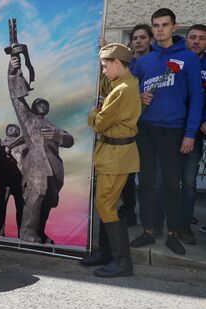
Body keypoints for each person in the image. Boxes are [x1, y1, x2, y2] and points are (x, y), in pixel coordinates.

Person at [131, 9, 203, 256]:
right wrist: (138, 97)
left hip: (175, 130)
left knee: (173, 184)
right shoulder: (144, 61)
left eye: (164, 25)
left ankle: (173, 232)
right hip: (147, 129)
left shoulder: (189, 58)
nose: (159, 29)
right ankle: (150, 229)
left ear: (174, 27)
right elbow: (129, 93)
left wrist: (190, 133)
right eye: (156, 25)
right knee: (148, 183)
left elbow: (196, 99)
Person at [83, 43, 140, 277]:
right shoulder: (125, 83)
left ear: (117, 63)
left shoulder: (122, 90)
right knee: (106, 205)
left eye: (106, 66)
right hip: (115, 155)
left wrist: (93, 111)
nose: (104, 71)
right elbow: (109, 84)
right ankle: (106, 253)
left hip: (116, 156)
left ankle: (122, 262)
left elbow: (99, 123)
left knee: (105, 206)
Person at [8, 57, 74, 243]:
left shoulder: (52, 126)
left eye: (45, 105)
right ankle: (28, 232)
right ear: (35, 107)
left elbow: (69, 140)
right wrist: (12, 72)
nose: (42, 107)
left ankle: (39, 232)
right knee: (37, 196)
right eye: (39, 104)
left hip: (53, 169)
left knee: (47, 200)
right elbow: (17, 99)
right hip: (36, 166)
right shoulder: (28, 120)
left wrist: (57, 136)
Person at [118, 24, 154, 227]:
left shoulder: (159, 62)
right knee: (127, 173)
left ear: (150, 40)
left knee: (148, 172)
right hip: (128, 125)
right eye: (135, 38)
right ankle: (129, 210)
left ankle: (150, 216)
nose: (138, 41)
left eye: (143, 37)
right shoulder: (125, 64)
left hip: (150, 124)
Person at [177, 24, 206, 245]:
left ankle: (184, 225)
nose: (196, 41)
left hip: (195, 131)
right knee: (166, 179)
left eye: (202, 38)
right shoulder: (175, 62)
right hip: (172, 128)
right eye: (193, 37)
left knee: (188, 180)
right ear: (186, 39)